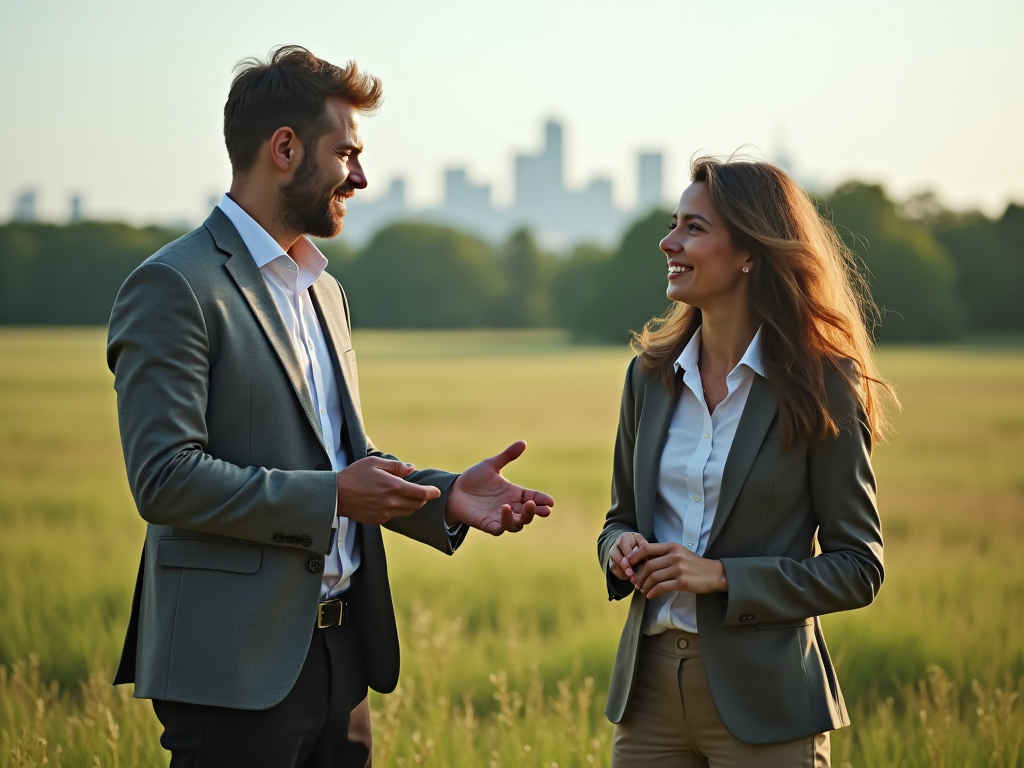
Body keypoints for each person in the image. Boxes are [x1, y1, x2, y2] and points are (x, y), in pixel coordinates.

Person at [107, 45, 553, 768]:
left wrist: (443, 497)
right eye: (346, 153)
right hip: (232, 669)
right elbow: (164, 478)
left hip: (343, 659)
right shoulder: (174, 286)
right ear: (284, 149)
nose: (362, 176)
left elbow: (340, 459)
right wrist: (334, 495)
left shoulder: (323, 290)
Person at [598, 156, 895, 767]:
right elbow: (619, 518)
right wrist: (619, 549)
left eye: (694, 228)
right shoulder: (649, 377)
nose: (669, 241)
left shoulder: (821, 384)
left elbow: (857, 567)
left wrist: (722, 576)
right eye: (673, 223)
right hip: (648, 695)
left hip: (768, 704)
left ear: (750, 253)